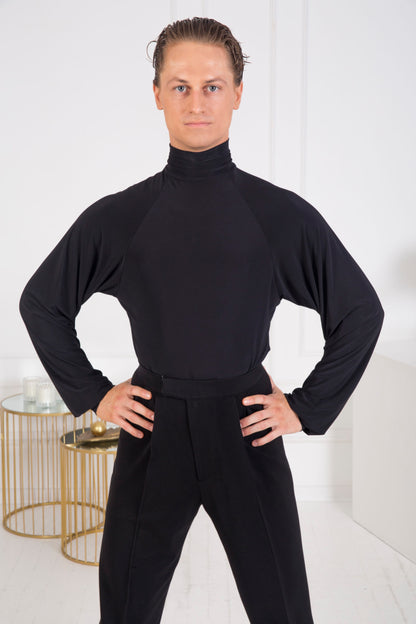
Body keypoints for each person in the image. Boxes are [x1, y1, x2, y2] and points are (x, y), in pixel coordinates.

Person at [19, 16, 384, 624]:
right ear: (157, 94)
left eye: (212, 86)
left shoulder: (278, 216)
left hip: (246, 428)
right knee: (126, 610)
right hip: (153, 427)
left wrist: (305, 407)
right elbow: (41, 302)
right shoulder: (120, 217)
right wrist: (93, 393)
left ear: (237, 94)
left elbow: (360, 311)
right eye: (180, 86)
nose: (196, 103)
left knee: (283, 609)